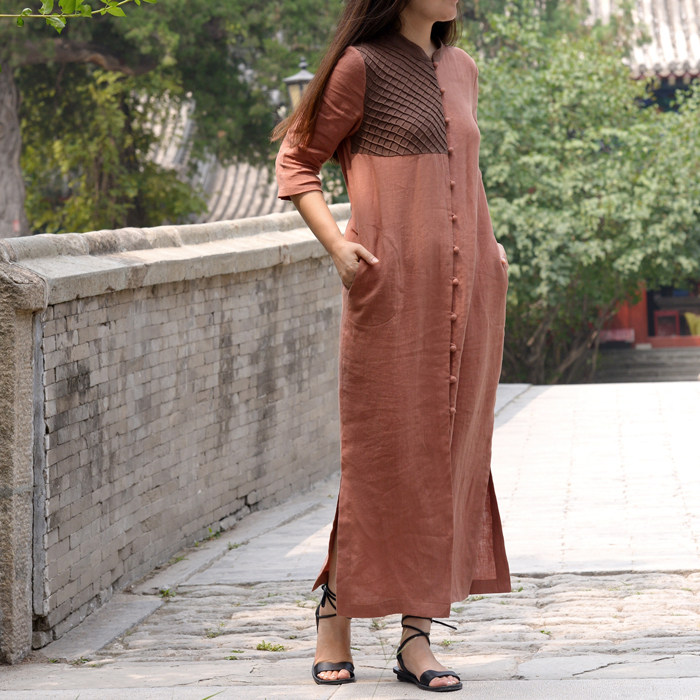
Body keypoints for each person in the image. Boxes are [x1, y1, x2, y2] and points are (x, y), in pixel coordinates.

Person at [272, 0, 510, 692]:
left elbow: (466, 176)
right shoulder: (361, 66)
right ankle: (335, 614)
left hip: (470, 298)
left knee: (448, 458)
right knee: (382, 456)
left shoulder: (462, 68)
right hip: (393, 294)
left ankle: (416, 639)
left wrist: (492, 254)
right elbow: (297, 161)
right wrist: (337, 246)